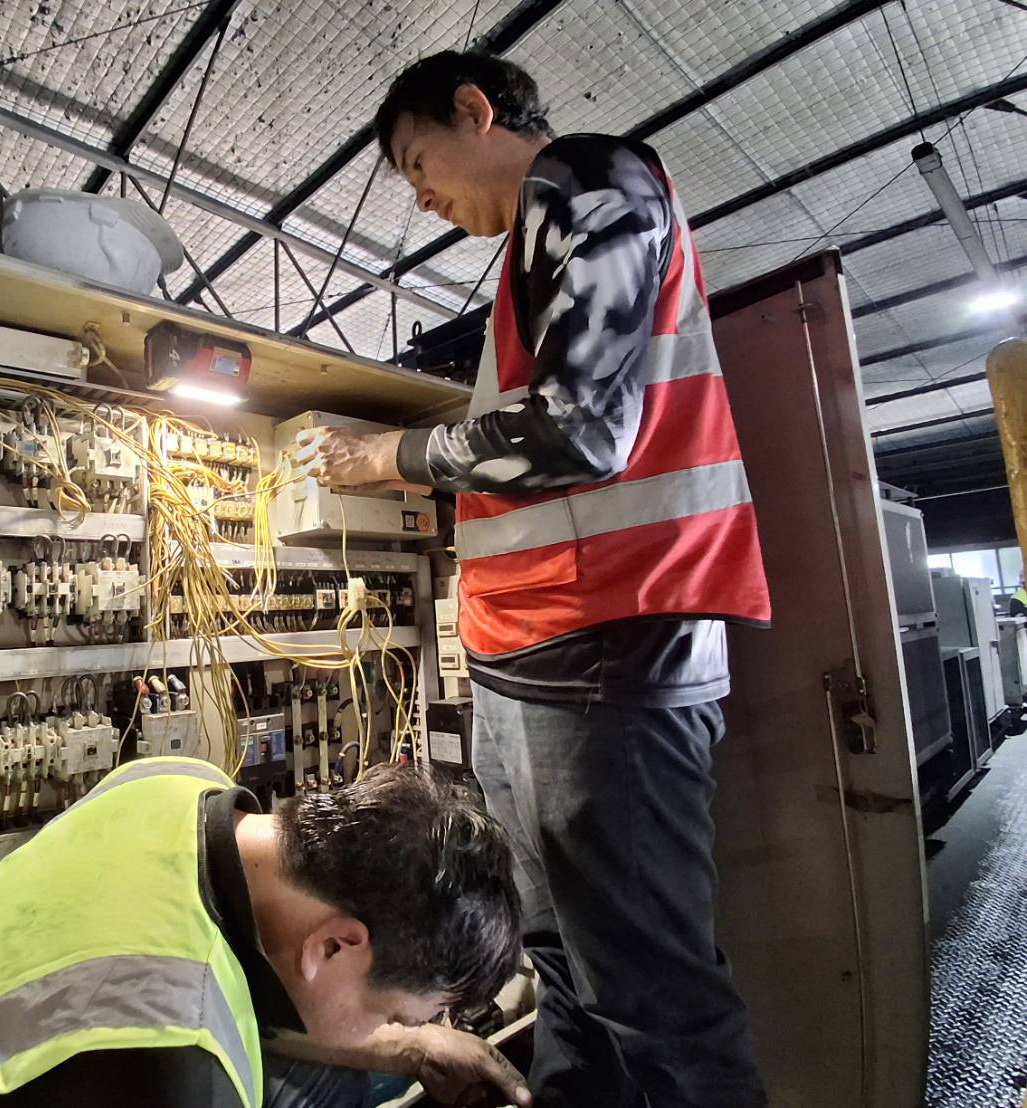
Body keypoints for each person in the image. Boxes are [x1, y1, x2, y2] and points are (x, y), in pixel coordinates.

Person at [297, 51, 773, 1108]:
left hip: (609, 637)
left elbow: (576, 430)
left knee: (650, 992)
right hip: (533, 656)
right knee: (562, 964)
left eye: (419, 163)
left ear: (476, 110)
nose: (421, 198)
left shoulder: (590, 179)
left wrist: (387, 458)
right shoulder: (526, 262)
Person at [0, 756, 530, 1107]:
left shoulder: (172, 782)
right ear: (332, 945)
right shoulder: (181, 1074)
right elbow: (179, 1027)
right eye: (396, 1013)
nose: (391, 1028)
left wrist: (411, 1046)